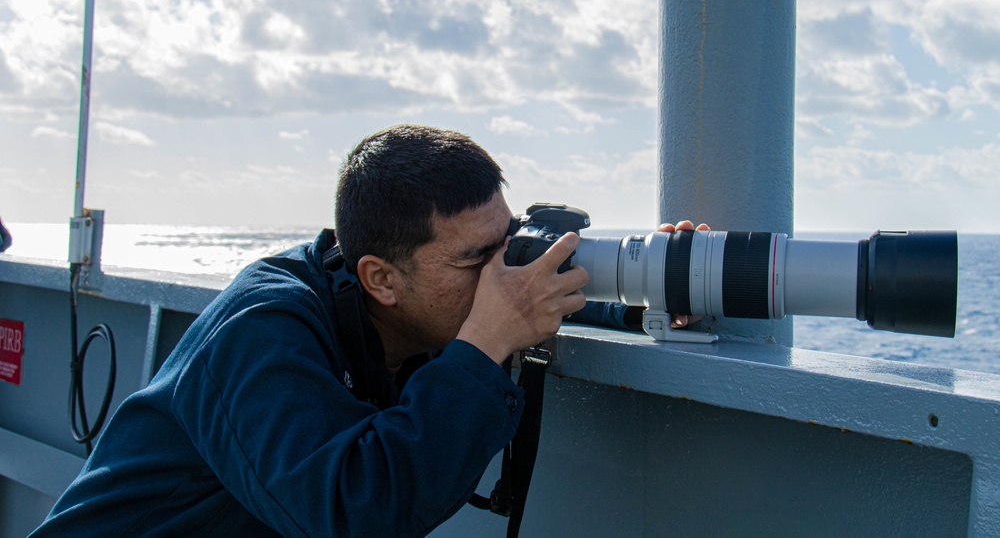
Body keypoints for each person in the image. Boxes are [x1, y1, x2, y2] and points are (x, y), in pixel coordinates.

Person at [32, 124, 701, 537]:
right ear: (381, 278)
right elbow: (355, 515)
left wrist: (657, 298)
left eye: (509, 245)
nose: (504, 277)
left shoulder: (414, 297)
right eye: (477, 260)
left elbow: (537, 294)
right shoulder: (263, 328)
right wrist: (484, 346)